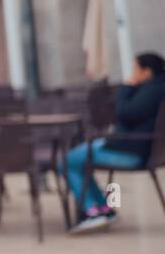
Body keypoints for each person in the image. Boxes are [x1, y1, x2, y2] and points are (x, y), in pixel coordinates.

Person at [66, 51, 165, 234]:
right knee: (77, 155)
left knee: (68, 161)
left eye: (135, 68)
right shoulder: (155, 88)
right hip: (136, 147)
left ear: (147, 71)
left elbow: (125, 113)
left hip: (132, 152)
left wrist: (126, 88)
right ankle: (103, 209)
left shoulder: (153, 90)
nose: (132, 73)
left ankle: (93, 211)